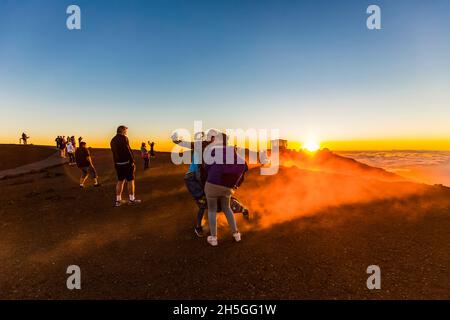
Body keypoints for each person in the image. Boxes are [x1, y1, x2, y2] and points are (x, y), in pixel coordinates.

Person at [203, 131, 246, 247]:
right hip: (227, 187)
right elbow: (243, 165)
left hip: (212, 184)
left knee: (211, 210)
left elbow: (206, 167)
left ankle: (214, 238)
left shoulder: (214, 151)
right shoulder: (234, 152)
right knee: (227, 208)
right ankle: (236, 234)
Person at [172, 131, 211, 237]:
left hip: (198, 177)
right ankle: (198, 227)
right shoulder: (201, 145)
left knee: (208, 201)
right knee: (203, 203)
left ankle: (207, 222)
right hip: (193, 178)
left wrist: (177, 141)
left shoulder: (203, 146)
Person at [110, 125, 141, 207]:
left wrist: (116, 163)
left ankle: (118, 201)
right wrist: (132, 162)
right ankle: (131, 199)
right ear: (122, 131)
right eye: (126, 131)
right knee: (130, 180)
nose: (126, 132)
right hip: (127, 163)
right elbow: (128, 150)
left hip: (118, 164)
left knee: (120, 181)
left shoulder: (112, 140)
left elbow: (114, 153)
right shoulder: (124, 138)